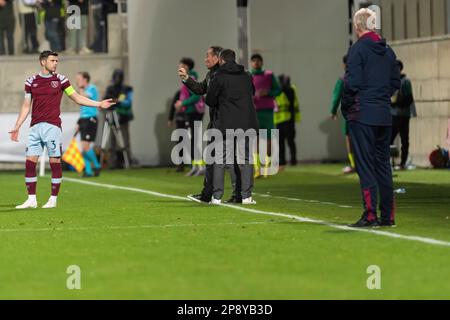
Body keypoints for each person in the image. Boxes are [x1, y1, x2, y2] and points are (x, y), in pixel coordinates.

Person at [9, 51, 115, 209]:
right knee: (30, 163)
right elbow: (26, 106)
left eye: (57, 61)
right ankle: (31, 199)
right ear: (43, 62)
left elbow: (77, 98)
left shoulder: (61, 79)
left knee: (54, 162)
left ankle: (53, 199)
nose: (56, 63)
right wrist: (17, 126)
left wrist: (98, 104)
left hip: (52, 127)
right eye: (52, 60)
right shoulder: (31, 81)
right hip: (35, 127)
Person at [343, 8, 401, 228]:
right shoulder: (388, 51)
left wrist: (347, 106)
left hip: (362, 114)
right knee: (383, 166)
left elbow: (352, 84)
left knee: (366, 166)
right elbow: (396, 82)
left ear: (357, 26)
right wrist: (382, 97)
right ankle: (388, 216)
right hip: (384, 115)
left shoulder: (357, 50)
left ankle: (370, 215)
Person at [205, 49, 259, 205]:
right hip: (246, 123)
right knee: (246, 159)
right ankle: (247, 196)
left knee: (220, 160)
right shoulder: (247, 76)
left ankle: (216, 197)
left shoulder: (218, 76)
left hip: (225, 124)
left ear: (221, 60)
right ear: (234, 59)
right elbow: (252, 93)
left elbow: (210, 100)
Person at [178, 46, 222, 203]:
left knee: (232, 160)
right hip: (216, 120)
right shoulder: (211, 74)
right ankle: (207, 194)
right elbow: (201, 89)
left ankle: (240, 194)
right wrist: (186, 78)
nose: (205, 59)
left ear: (217, 58)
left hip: (227, 121)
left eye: (208, 56)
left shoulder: (224, 75)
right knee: (212, 158)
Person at [250, 53, 281, 178]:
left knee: (268, 139)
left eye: (258, 61)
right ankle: (257, 169)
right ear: (251, 63)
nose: (256, 63)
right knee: (255, 139)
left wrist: (268, 92)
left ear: (262, 62)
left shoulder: (269, 75)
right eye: (254, 61)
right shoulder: (248, 75)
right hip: (253, 111)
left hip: (267, 111)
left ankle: (266, 168)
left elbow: (278, 90)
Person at [175, 57, 205, 177]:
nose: (179, 67)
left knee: (194, 140)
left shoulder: (191, 78)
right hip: (190, 112)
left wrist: (183, 103)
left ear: (186, 67)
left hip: (195, 112)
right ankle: (195, 166)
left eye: (181, 65)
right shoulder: (186, 78)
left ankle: (201, 166)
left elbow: (196, 96)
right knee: (190, 140)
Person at [330, 55, 356, 174]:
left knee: (349, 139)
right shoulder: (363, 78)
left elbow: (336, 97)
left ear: (344, 65)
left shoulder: (343, 80)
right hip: (364, 112)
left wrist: (333, 111)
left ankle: (354, 165)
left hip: (349, 113)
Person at [104, 69, 133, 169]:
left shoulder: (127, 89)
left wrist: (118, 101)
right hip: (113, 116)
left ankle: (127, 161)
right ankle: (112, 163)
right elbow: (106, 99)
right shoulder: (110, 89)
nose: (117, 79)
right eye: (116, 77)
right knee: (112, 141)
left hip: (123, 117)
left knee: (125, 141)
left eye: (119, 77)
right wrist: (113, 100)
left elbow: (128, 102)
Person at [390, 60, 416, 170]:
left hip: (403, 115)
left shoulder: (405, 82)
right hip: (392, 114)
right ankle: (389, 163)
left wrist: (397, 103)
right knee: (388, 139)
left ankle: (402, 163)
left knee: (404, 140)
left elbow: (409, 98)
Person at [75, 71, 101, 177]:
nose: (77, 81)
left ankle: (97, 165)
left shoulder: (92, 88)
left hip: (91, 119)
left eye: (79, 79)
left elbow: (84, 98)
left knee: (85, 146)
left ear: (85, 79)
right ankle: (89, 171)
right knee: (83, 147)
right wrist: (79, 122)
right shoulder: (83, 90)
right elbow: (82, 107)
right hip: (84, 119)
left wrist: (80, 89)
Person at [275, 74, 301, 168]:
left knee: (290, 140)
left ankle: (293, 160)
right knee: (280, 141)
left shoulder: (290, 90)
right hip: (278, 120)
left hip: (288, 118)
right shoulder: (277, 91)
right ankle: (282, 160)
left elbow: (288, 95)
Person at [167, 89, 186, 172]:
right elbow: (173, 106)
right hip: (180, 119)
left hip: (190, 119)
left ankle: (194, 164)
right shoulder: (179, 93)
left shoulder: (193, 93)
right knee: (180, 142)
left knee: (191, 142)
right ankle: (180, 164)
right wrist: (170, 119)